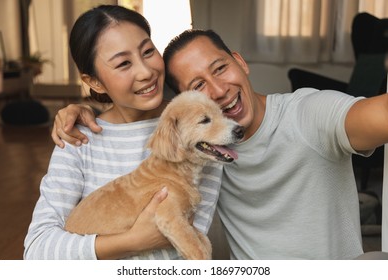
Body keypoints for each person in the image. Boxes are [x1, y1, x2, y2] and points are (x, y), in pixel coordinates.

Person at [51, 27, 388, 259]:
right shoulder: (201, 150)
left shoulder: (309, 114)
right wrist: (84, 109)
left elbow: (376, 115)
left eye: (220, 68)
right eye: (198, 86)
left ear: (240, 62)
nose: (217, 89)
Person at [23, 5, 223, 260]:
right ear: (94, 81)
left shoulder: (195, 130)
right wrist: (132, 241)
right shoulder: (77, 139)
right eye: (123, 63)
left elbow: (186, 247)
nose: (146, 71)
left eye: (148, 51)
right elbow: (37, 250)